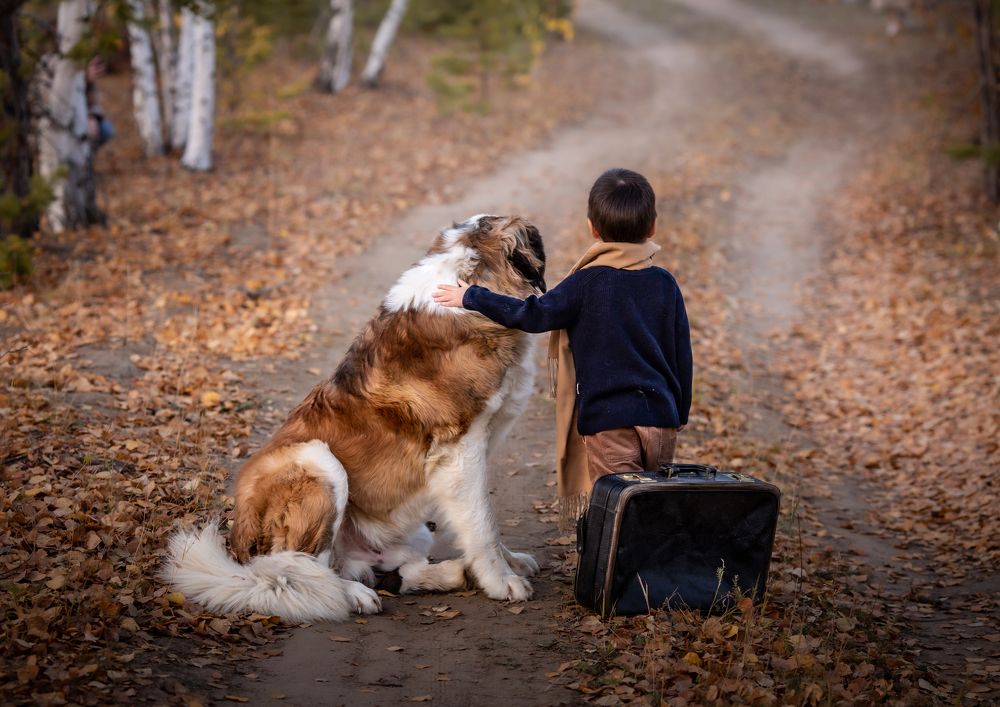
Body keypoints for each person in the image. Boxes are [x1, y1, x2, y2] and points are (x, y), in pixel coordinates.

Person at [433, 168, 693, 516]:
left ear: (592, 228)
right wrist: (680, 411)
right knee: (651, 504)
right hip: (662, 419)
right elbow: (681, 354)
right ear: (653, 227)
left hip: (609, 422)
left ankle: (615, 554)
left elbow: (533, 315)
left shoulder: (585, 283)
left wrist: (472, 296)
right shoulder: (665, 283)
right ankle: (652, 552)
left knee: (617, 508)